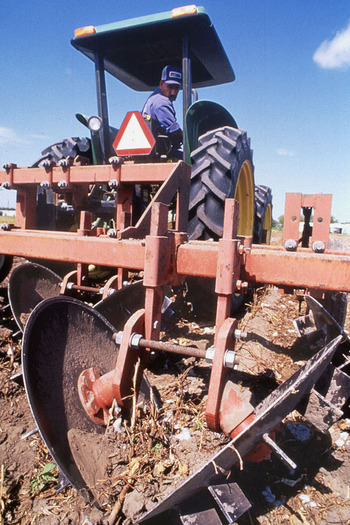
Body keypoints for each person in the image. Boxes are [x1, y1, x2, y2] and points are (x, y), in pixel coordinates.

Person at [142, 65, 183, 151]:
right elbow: (174, 130)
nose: (173, 92)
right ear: (161, 84)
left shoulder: (155, 98)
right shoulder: (161, 101)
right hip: (155, 151)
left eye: (177, 88)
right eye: (170, 87)